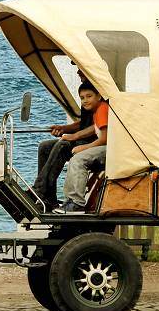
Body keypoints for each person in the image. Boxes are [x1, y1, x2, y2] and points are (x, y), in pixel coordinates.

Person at [31, 70, 95, 211]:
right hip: (84, 138)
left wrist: (74, 136)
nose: (77, 71)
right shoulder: (87, 92)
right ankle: (48, 199)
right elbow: (84, 123)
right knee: (45, 146)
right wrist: (64, 128)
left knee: (63, 145)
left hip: (93, 143)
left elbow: (98, 126)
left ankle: (39, 190)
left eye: (80, 68)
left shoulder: (99, 94)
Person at [57, 83, 109, 214]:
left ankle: (76, 203)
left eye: (89, 96)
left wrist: (83, 148)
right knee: (76, 158)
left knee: (79, 159)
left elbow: (105, 139)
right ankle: (70, 200)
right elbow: (93, 129)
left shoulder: (102, 109)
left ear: (99, 96)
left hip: (112, 149)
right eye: (82, 98)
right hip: (107, 147)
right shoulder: (97, 111)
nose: (85, 100)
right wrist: (73, 136)